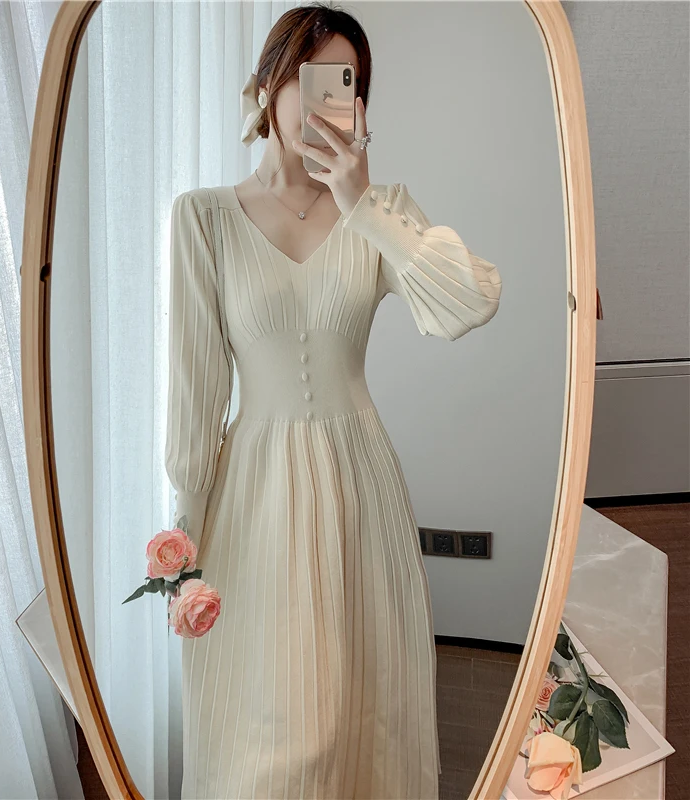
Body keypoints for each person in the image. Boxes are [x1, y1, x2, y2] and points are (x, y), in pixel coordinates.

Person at [164, 5, 502, 798]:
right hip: (255, 498)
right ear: (267, 88)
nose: (325, 102)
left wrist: (363, 205)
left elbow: (469, 303)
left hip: (358, 487)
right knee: (273, 734)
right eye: (307, 79)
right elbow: (195, 393)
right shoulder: (204, 219)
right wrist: (184, 544)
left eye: (344, 85)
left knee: (357, 714)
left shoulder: (381, 212)